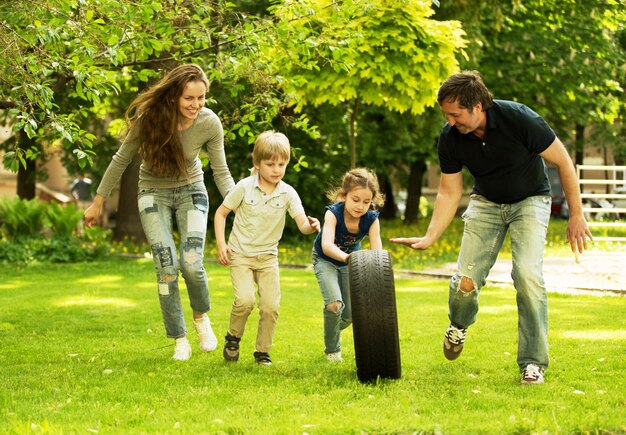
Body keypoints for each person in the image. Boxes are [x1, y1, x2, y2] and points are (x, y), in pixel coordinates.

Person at [390, 71, 592, 384]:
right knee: (465, 281)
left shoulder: (520, 118)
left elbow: (564, 162)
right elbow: (448, 191)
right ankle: (458, 325)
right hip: (486, 203)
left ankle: (533, 363)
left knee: (527, 275)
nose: (451, 121)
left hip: (530, 200)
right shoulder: (450, 138)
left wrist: (576, 214)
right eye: (447, 115)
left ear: (478, 106)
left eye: (455, 114)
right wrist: (431, 236)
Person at [83, 64, 235, 362]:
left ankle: (201, 319)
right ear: (174, 96)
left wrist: (236, 203)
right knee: (166, 266)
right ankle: (179, 339)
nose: (196, 104)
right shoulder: (149, 119)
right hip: (152, 192)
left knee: (191, 263)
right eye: (189, 98)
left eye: (201, 97)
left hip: (192, 190)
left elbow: (221, 171)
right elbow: (120, 159)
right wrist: (98, 201)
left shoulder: (209, 123)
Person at [214, 130, 320, 366]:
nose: (276, 169)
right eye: (270, 164)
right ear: (257, 163)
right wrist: (222, 245)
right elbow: (221, 214)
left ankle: (262, 352)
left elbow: (301, 223)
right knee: (245, 300)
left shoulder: (288, 193)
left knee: (270, 306)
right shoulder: (244, 187)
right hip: (240, 254)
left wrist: (311, 226)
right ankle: (233, 337)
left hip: (268, 258)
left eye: (281, 164)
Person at [312, 168, 384, 363]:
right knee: (335, 305)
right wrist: (347, 258)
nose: (360, 206)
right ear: (344, 196)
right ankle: (332, 351)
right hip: (325, 259)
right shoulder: (333, 213)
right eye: (355, 199)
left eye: (366, 202)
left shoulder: (371, 220)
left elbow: (377, 252)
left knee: (351, 314)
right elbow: (326, 246)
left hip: (351, 263)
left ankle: (331, 327)